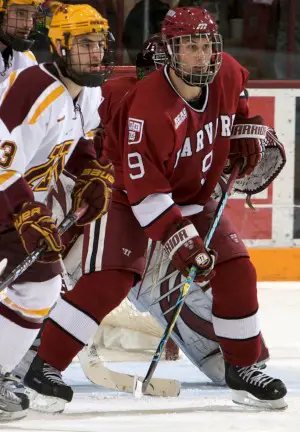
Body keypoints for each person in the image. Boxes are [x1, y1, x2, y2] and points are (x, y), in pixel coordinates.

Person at [25, 6, 286, 411]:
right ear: (171, 53)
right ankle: (44, 367)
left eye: (206, 46)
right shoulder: (148, 108)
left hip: (193, 195)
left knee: (238, 269)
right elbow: (147, 194)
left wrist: (242, 127)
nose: (201, 57)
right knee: (112, 279)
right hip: (127, 198)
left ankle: (243, 368)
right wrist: (184, 245)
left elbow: (235, 101)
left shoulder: (228, 72)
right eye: (190, 48)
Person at [0, 2, 114, 421]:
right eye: (85, 43)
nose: (96, 52)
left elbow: (71, 142)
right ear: (60, 47)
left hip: (12, 202)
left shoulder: (77, 92)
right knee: (39, 284)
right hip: (6, 198)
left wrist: (90, 172)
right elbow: (2, 160)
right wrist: (26, 213)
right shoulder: (37, 87)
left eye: (99, 42)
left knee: (41, 284)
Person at [0, 0, 43, 78]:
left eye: (32, 16)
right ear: (2, 15)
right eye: (20, 13)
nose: (28, 25)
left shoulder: (28, 58)